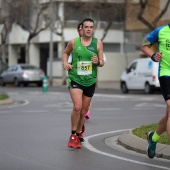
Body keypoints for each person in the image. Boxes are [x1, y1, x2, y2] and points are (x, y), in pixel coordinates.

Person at [62, 18, 104, 149]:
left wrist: (97, 61)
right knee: (77, 107)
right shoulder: (73, 42)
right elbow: (65, 53)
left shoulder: (98, 44)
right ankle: (73, 135)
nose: (89, 29)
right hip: (75, 78)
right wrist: (65, 63)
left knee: (83, 111)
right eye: (86, 27)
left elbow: (102, 62)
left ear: (93, 28)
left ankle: (79, 131)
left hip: (90, 80)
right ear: (82, 28)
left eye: (91, 27)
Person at [141, 24, 170, 159]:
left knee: (168, 114)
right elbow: (144, 45)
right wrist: (153, 55)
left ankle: (154, 138)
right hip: (166, 73)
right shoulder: (160, 31)